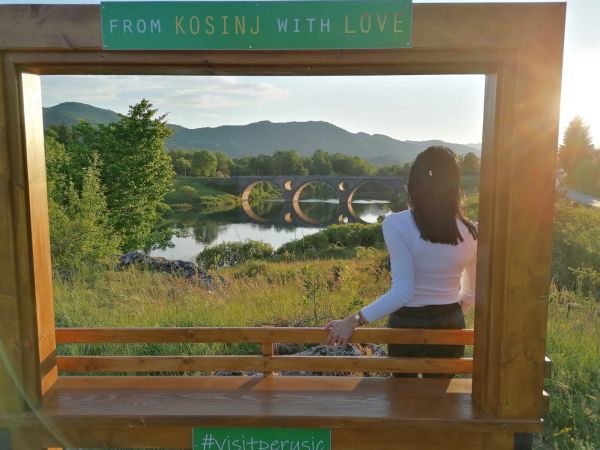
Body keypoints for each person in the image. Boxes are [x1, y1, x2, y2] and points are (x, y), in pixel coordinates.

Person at [324, 146, 478, 377]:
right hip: (451, 323)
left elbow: (403, 293)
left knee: (402, 391)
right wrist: (450, 316)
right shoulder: (473, 231)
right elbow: (470, 295)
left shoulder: (397, 224)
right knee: (440, 394)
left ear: (414, 183)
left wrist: (353, 320)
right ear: (455, 184)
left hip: (407, 323)